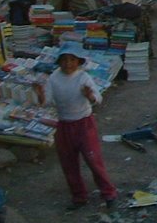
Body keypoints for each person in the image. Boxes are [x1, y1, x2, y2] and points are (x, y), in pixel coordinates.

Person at [34, 43, 118, 209]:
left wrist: (90, 96)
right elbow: (47, 102)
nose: (68, 64)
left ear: (78, 61)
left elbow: (97, 99)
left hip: (84, 124)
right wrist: (41, 96)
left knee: (94, 160)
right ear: (59, 61)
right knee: (68, 163)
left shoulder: (83, 77)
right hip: (64, 125)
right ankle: (79, 196)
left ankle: (108, 193)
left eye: (72, 60)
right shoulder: (54, 78)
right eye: (64, 60)